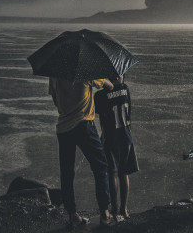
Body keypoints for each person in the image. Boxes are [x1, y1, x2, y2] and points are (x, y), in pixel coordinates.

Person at [48, 77, 116, 229]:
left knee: (67, 172)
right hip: (84, 125)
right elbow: (110, 86)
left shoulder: (54, 74)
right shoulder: (85, 70)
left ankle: (73, 215)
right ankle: (105, 213)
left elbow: (55, 101)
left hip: (63, 128)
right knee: (100, 167)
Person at [94, 75, 139, 220]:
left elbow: (98, 113)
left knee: (112, 173)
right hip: (126, 136)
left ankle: (114, 209)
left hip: (110, 138)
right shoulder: (126, 89)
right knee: (123, 172)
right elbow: (129, 112)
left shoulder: (100, 95)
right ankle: (124, 209)